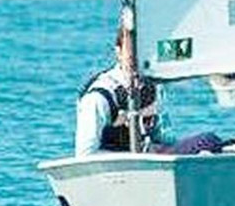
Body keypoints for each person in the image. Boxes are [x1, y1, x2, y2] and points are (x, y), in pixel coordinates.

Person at [75, 23, 223, 157]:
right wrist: (132, 157)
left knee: (210, 143)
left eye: (143, 50)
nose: (137, 57)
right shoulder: (98, 98)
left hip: (149, 161)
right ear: (118, 51)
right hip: (116, 167)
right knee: (207, 140)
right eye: (131, 50)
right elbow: (85, 154)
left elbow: (165, 140)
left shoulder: (152, 87)